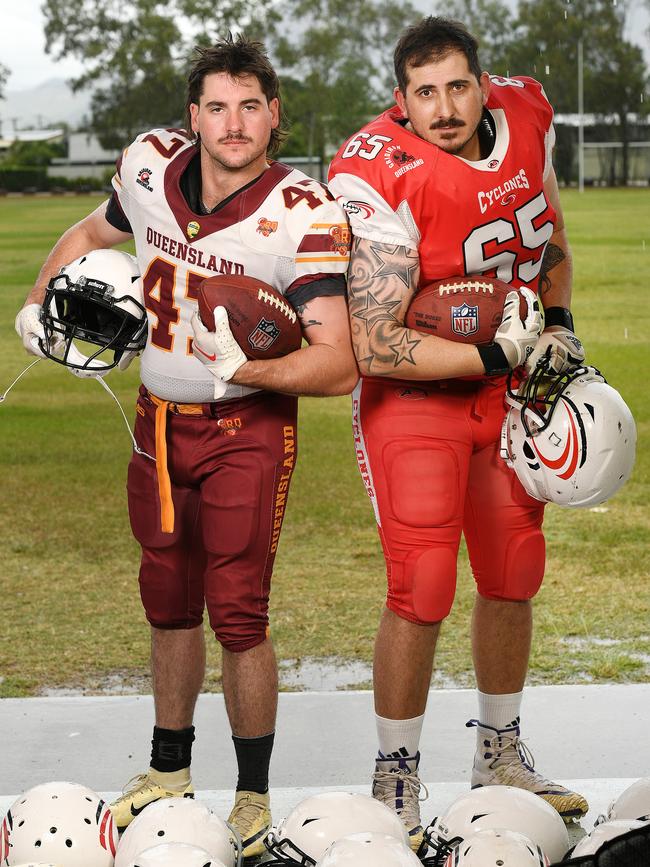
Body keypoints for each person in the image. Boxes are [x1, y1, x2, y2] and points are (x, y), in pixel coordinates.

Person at [15, 34, 358, 859]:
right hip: (156, 420)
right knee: (167, 597)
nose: (232, 123)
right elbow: (93, 228)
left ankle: (250, 793)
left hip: (248, 425)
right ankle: (169, 769)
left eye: (249, 106)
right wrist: (38, 300)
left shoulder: (304, 211)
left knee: (238, 612)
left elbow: (341, 361)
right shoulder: (149, 165)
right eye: (216, 106)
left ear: (275, 115)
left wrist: (255, 364)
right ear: (191, 116)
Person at [328, 16, 587, 852]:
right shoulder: (383, 170)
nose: (443, 108)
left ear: (484, 83)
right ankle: (395, 769)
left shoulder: (527, 118)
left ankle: (500, 753)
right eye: (424, 92)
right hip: (417, 398)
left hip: (506, 386)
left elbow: (545, 240)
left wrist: (559, 323)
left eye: (457, 86)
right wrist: (487, 348)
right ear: (399, 99)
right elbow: (372, 338)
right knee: (425, 581)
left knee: (515, 567)